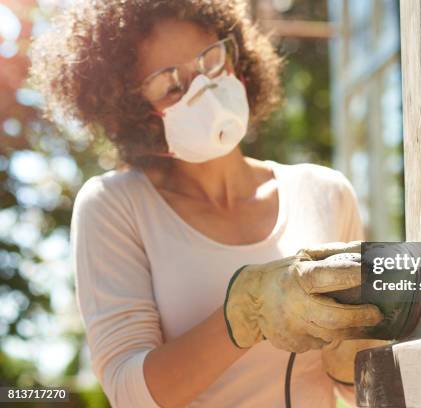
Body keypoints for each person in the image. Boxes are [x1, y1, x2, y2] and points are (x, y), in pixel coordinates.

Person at [30, 1, 382, 407]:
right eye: (172, 86)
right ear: (135, 115)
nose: (204, 89)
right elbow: (129, 393)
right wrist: (243, 314)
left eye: (210, 60)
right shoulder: (114, 206)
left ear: (237, 55)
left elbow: (359, 389)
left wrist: (351, 353)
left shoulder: (326, 191)